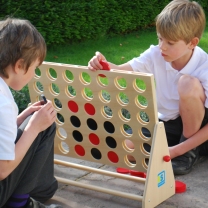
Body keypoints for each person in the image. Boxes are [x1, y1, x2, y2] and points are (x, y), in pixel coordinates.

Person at [88, 0, 208, 175]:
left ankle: (188, 152)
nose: (162, 47)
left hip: (199, 131)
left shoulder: (205, 67)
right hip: (167, 124)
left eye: (170, 43)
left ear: (192, 43)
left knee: (187, 83)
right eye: (160, 38)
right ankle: (174, 146)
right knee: (122, 151)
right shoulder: (156, 54)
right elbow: (121, 71)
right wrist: (102, 64)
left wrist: (176, 151)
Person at [0, 18, 62, 208]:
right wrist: (34, 127)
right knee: (45, 127)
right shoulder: (3, 102)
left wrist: (21, 118)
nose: (33, 74)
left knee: (36, 124)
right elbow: (2, 169)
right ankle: (20, 204)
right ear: (19, 65)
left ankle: (36, 193)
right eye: (34, 68)